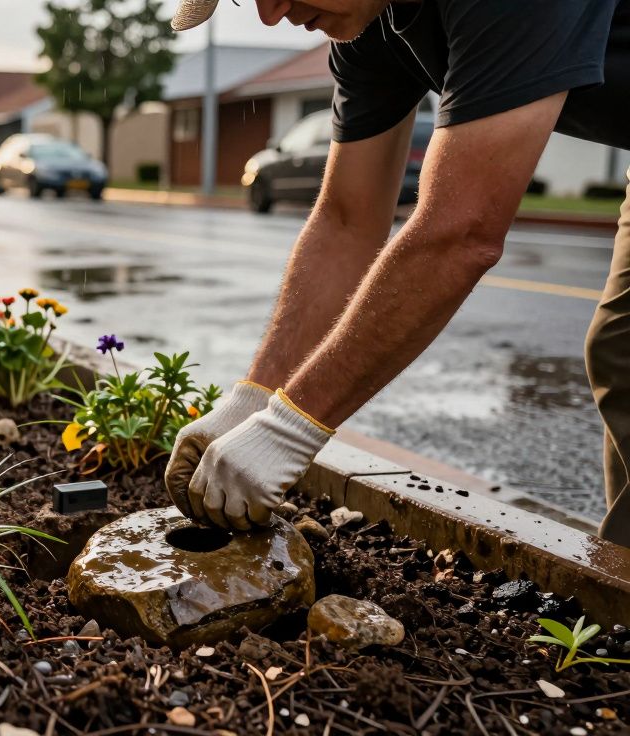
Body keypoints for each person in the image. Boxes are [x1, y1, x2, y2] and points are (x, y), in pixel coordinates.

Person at [164, 0, 630, 547]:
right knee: (622, 351)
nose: (270, 14)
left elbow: (460, 232)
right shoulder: (365, 23)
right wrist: (254, 400)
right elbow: (345, 221)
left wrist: (289, 430)